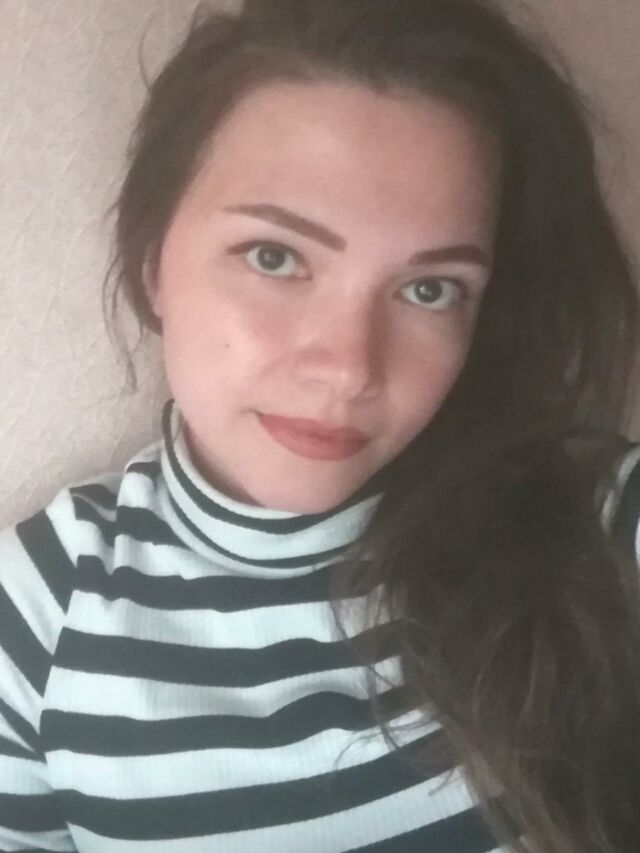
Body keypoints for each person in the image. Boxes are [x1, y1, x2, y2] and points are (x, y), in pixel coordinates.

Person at [1, 0, 639, 851]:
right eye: (275, 256)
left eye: (429, 289)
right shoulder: (36, 618)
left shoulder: (588, 527)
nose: (348, 368)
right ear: (153, 261)